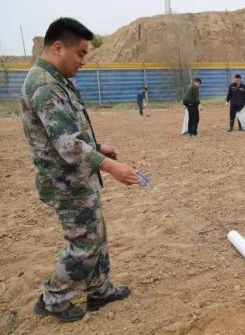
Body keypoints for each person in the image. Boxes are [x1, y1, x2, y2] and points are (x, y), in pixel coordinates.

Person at [20, 17, 140, 322]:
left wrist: (98, 149)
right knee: (84, 243)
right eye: (81, 54)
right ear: (58, 48)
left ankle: (99, 290)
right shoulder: (45, 86)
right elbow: (68, 145)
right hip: (65, 182)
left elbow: (66, 134)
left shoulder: (57, 80)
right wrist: (111, 166)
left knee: (96, 234)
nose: (84, 61)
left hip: (78, 177)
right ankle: (53, 298)